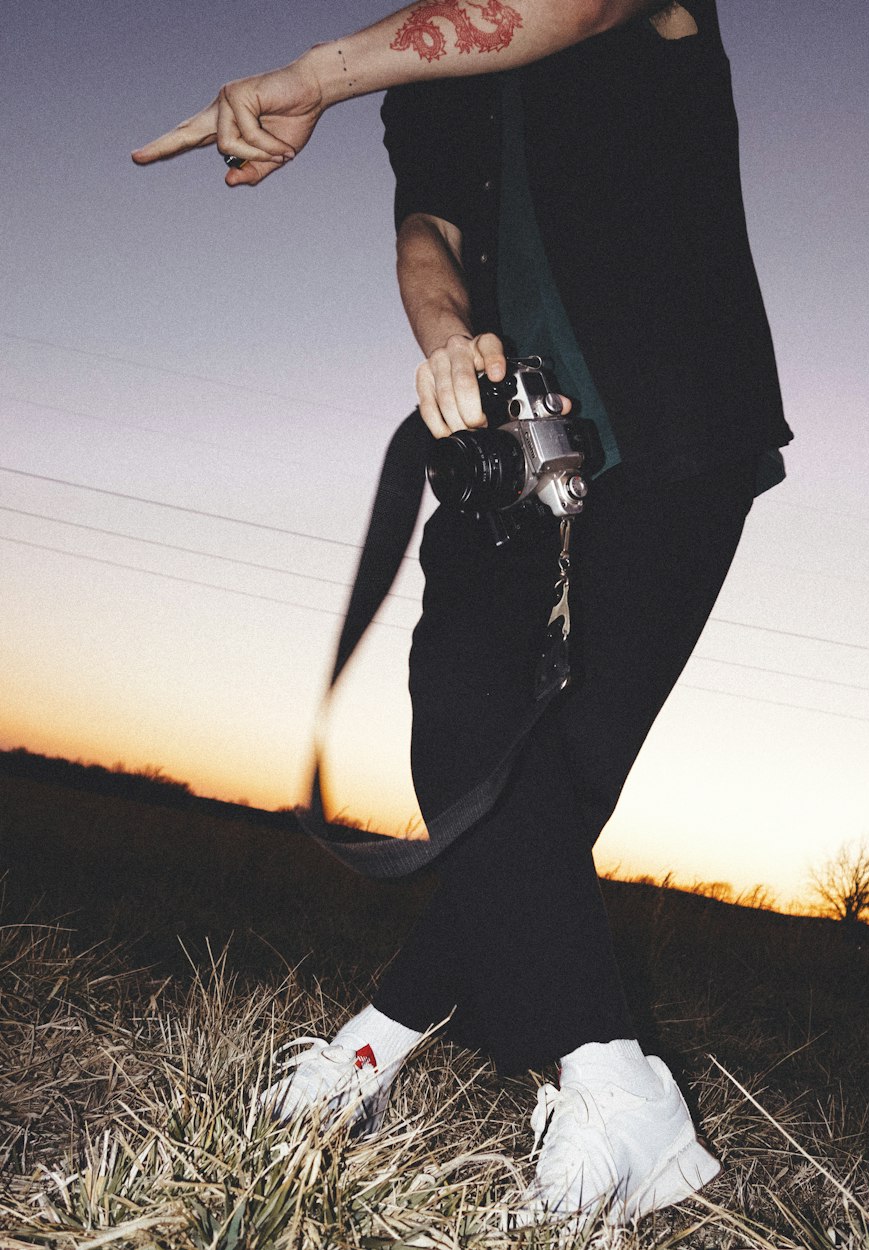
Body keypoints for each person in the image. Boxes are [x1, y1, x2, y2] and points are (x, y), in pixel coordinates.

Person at [134, 0, 793, 1225]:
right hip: (503, 453)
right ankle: (604, 1081)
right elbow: (425, 228)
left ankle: (378, 1060)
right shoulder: (422, 84)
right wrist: (445, 339)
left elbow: (554, 11)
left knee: (556, 779)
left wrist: (309, 76)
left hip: (678, 432)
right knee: (466, 732)